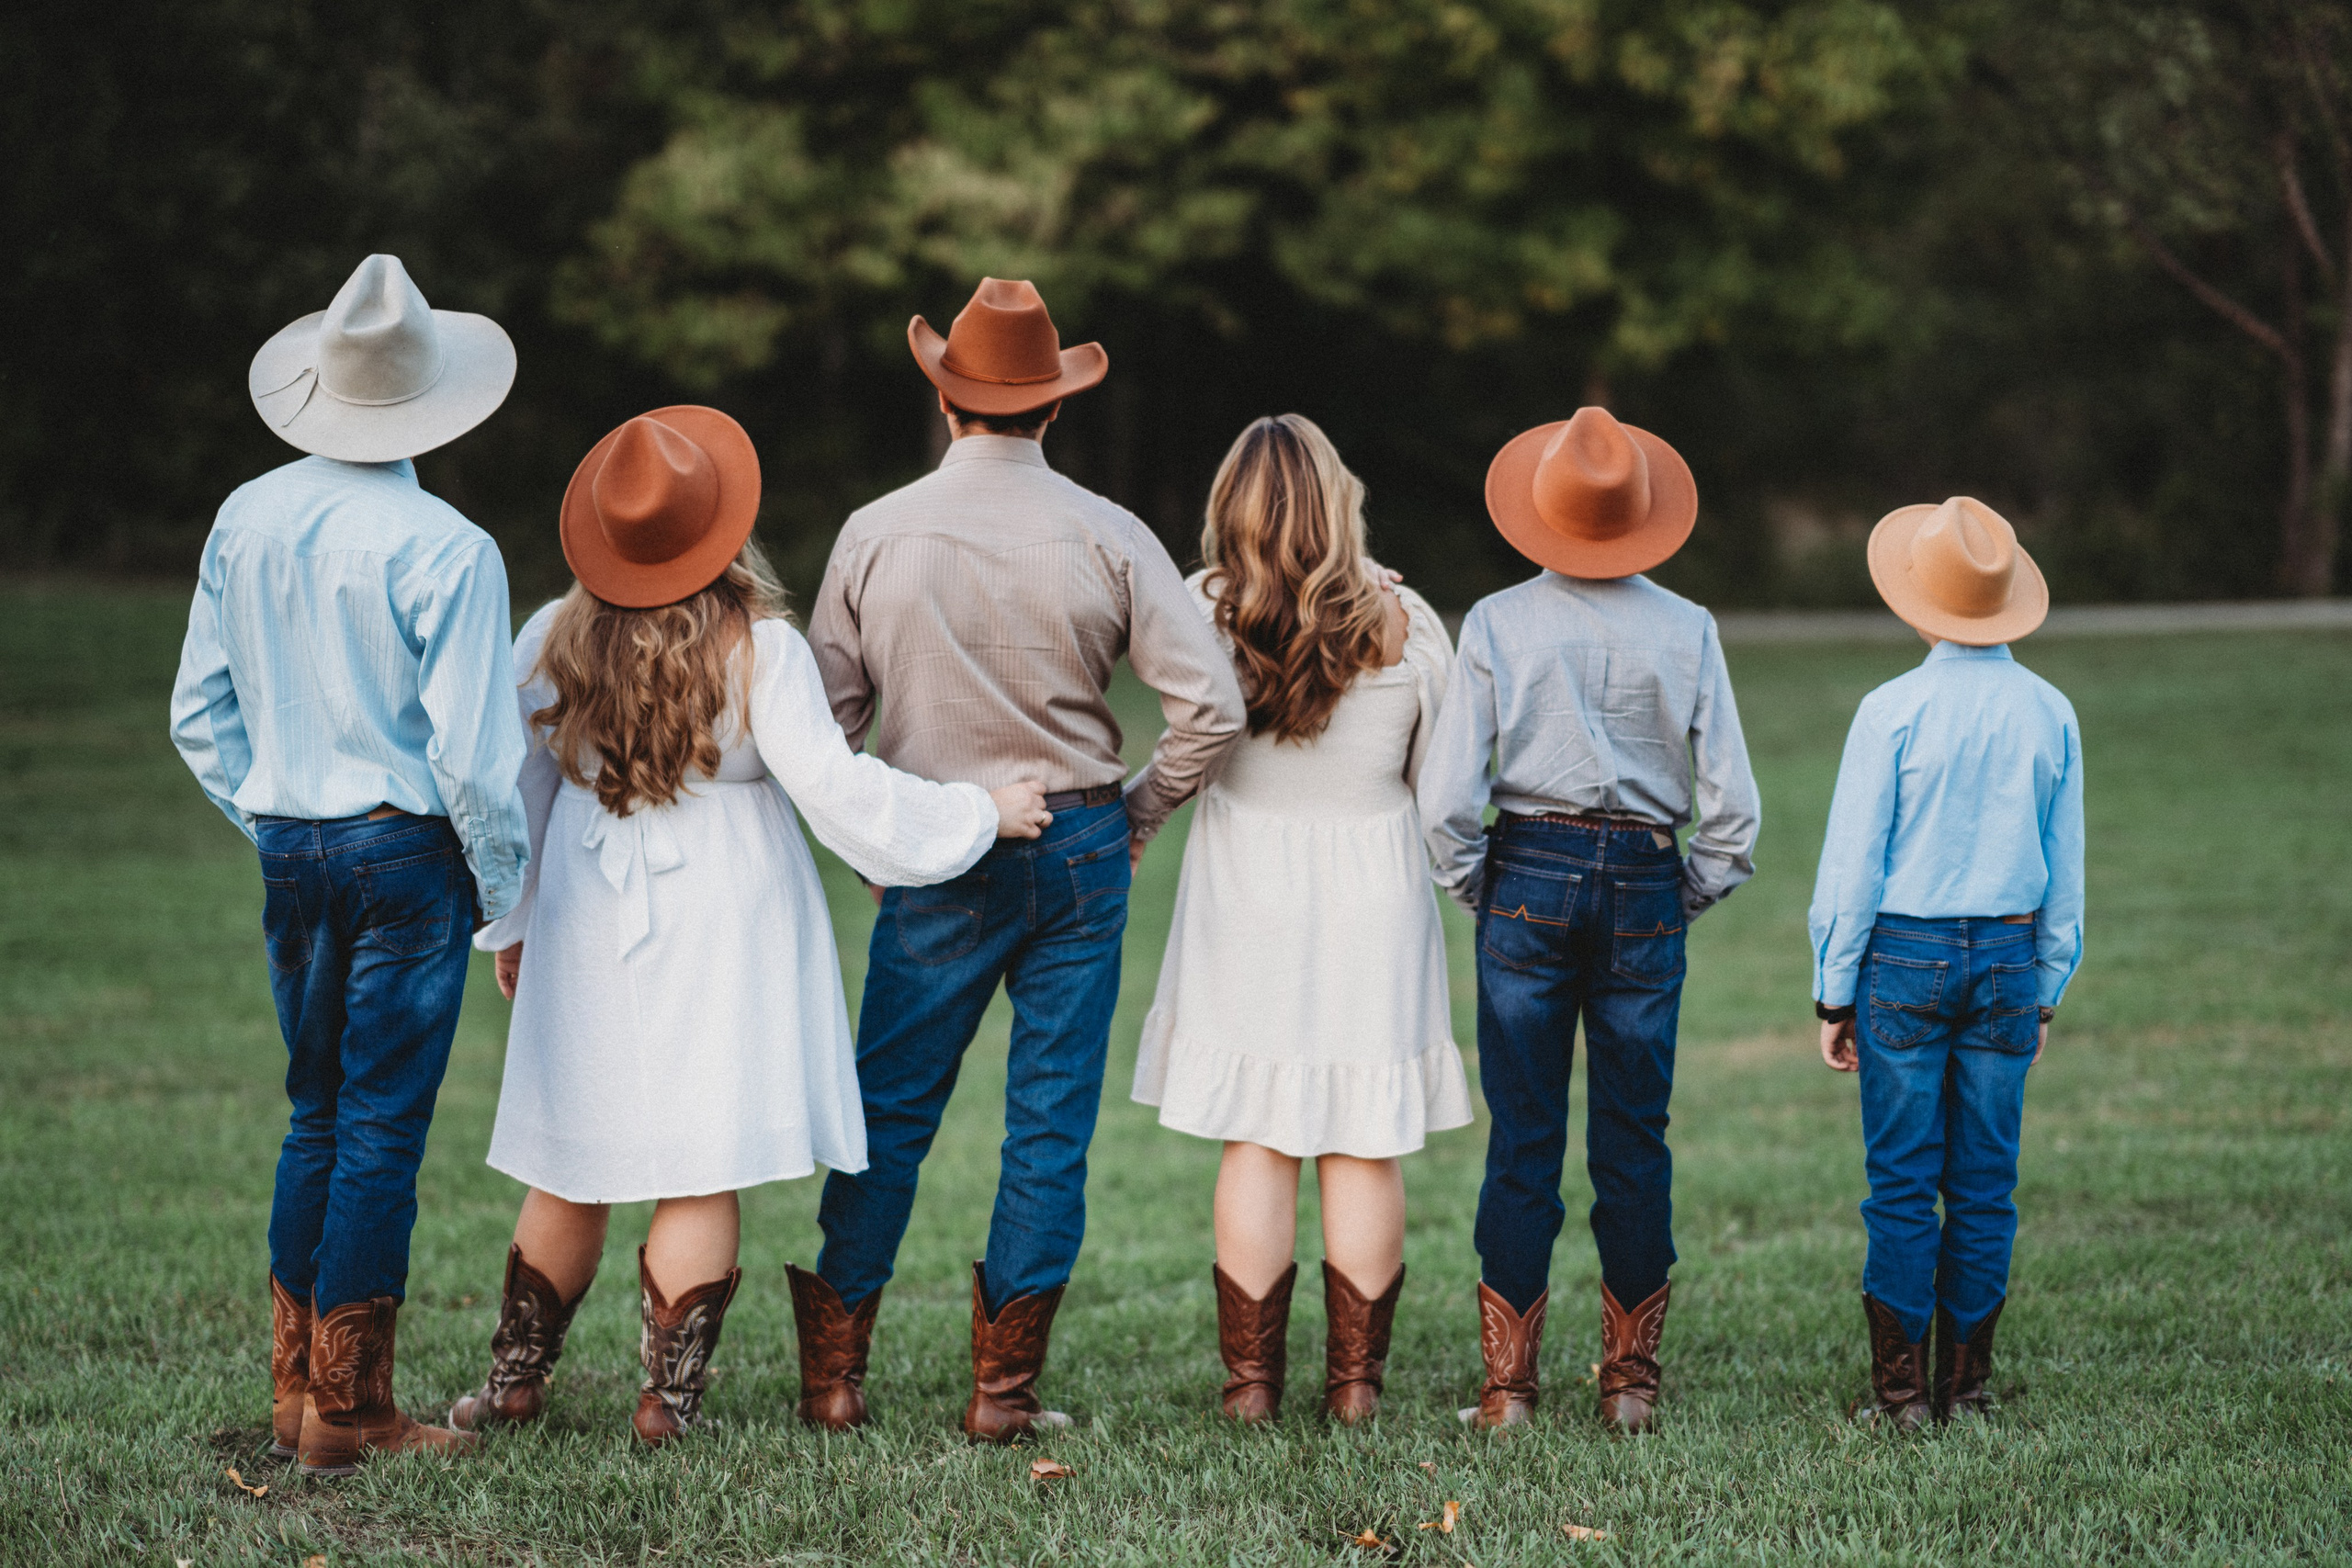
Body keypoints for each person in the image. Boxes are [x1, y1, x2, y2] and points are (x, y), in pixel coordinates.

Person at [444, 407, 1051, 1446]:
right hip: (725, 916)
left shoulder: (550, 637)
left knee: (569, 1149)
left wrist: (515, 923)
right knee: (699, 1154)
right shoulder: (759, 646)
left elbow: (516, 793)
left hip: (590, 907)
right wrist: (977, 814)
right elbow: (838, 791)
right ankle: (664, 1404)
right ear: (720, 531)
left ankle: (513, 1383)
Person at [801, 277, 1246, 1441]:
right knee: (1047, 1125)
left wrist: (888, 833)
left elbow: (821, 730)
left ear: (947, 403)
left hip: (938, 843)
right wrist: (1139, 814)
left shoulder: (874, 532)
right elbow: (1212, 707)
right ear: (1053, 409)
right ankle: (1002, 1395)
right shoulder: (1111, 531)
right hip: (1081, 842)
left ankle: (834, 1380)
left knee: (888, 1111)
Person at [169, 254, 528, 1474]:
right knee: (378, 1121)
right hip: (407, 853)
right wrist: (500, 899)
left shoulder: (245, 515)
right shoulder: (453, 548)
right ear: (432, 400)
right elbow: (474, 762)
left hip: (290, 845)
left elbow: (198, 714)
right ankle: (351, 1406)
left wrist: (276, 823)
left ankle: (295, 1394)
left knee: (314, 1109)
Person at [1419, 406, 1761, 1434]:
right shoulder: (1689, 627)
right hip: (1646, 874)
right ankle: (1629, 1387)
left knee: (1522, 1137)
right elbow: (1733, 813)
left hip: (1526, 867)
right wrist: (1677, 895)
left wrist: (1484, 890)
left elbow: (1445, 803)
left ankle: (1508, 1390)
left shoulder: (1495, 622)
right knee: (1634, 1137)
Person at [1131, 414, 1470, 1424]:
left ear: (1229, 509)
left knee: (1257, 1133)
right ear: (1339, 500)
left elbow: (1185, 739)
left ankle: (1252, 1386)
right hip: (1374, 893)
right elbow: (1441, 785)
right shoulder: (1406, 619)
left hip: (1247, 893)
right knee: (1363, 1138)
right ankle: (1355, 1385)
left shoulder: (1199, 610)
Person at [1809, 496, 2083, 1431]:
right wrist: (2045, 989)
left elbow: (1852, 867)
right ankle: (1965, 1389)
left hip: (1904, 955)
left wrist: (1833, 992)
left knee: (1899, 1181)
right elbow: (2066, 871)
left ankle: (1900, 1398)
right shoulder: (2050, 711)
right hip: (2008, 954)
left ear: (1918, 603)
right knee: (1984, 1182)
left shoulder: (1890, 710)